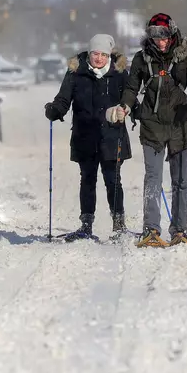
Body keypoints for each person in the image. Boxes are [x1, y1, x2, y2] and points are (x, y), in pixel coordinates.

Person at [106, 13, 187, 247]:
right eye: (155, 36)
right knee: (153, 179)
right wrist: (124, 106)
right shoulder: (142, 59)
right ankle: (151, 229)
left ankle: (179, 230)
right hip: (152, 124)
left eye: (164, 36)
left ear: (172, 33)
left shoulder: (186, 56)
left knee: (181, 181)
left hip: (180, 123)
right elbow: (131, 87)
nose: (161, 41)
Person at [44, 34, 132, 242]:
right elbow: (64, 98)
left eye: (103, 54)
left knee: (113, 180)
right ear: (89, 53)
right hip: (85, 135)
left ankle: (119, 225)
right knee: (88, 180)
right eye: (95, 54)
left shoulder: (119, 73)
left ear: (109, 54)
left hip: (112, 136)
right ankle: (86, 225)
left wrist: (129, 111)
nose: (99, 58)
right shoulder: (76, 72)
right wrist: (55, 110)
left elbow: (130, 99)